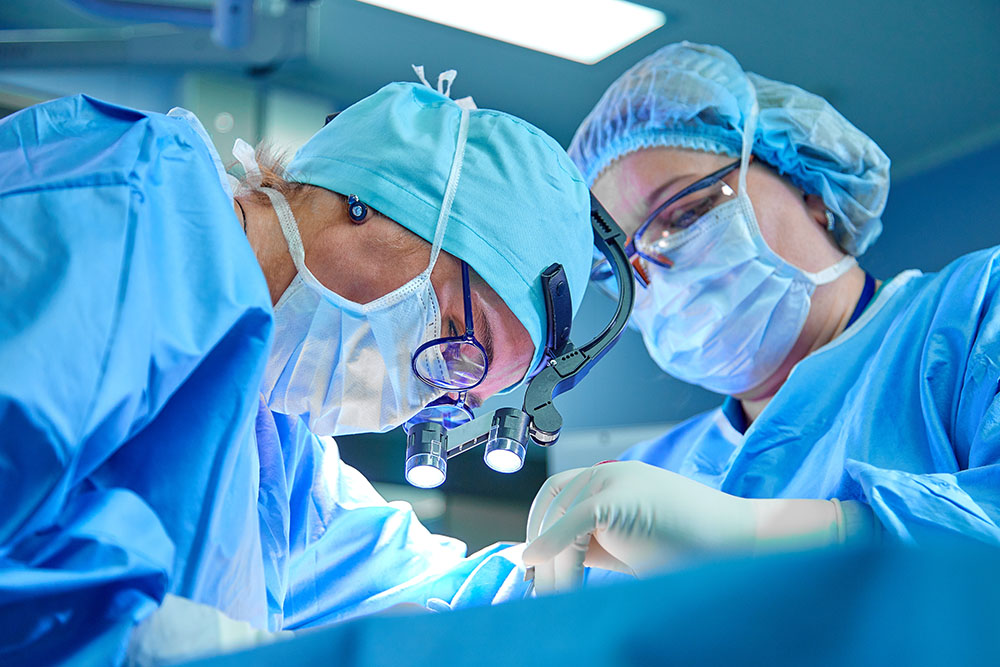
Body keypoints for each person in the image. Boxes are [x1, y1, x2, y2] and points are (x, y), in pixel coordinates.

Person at [0, 69, 595, 664]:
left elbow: (448, 597)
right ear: (374, 202)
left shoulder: (275, 454)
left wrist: (613, 554)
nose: (424, 398)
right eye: (458, 341)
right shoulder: (122, 204)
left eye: (461, 394)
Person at [522, 41, 1000, 594]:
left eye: (687, 211)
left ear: (809, 188)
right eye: (624, 266)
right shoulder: (651, 472)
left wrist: (761, 536)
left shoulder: (975, 316)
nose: (658, 266)